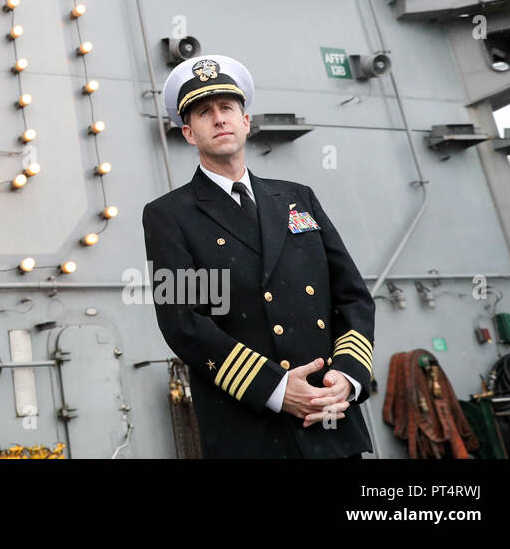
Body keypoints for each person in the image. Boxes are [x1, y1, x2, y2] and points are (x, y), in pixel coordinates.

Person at [142, 54, 375, 458]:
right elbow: (184, 322)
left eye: (227, 108)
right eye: (204, 113)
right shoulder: (168, 215)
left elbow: (352, 296)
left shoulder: (298, 198)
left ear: (245, 122)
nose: (219, 119)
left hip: (329, 417)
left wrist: (349, 377)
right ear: (188, 133)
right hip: (250, 432)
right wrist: (277, 389)